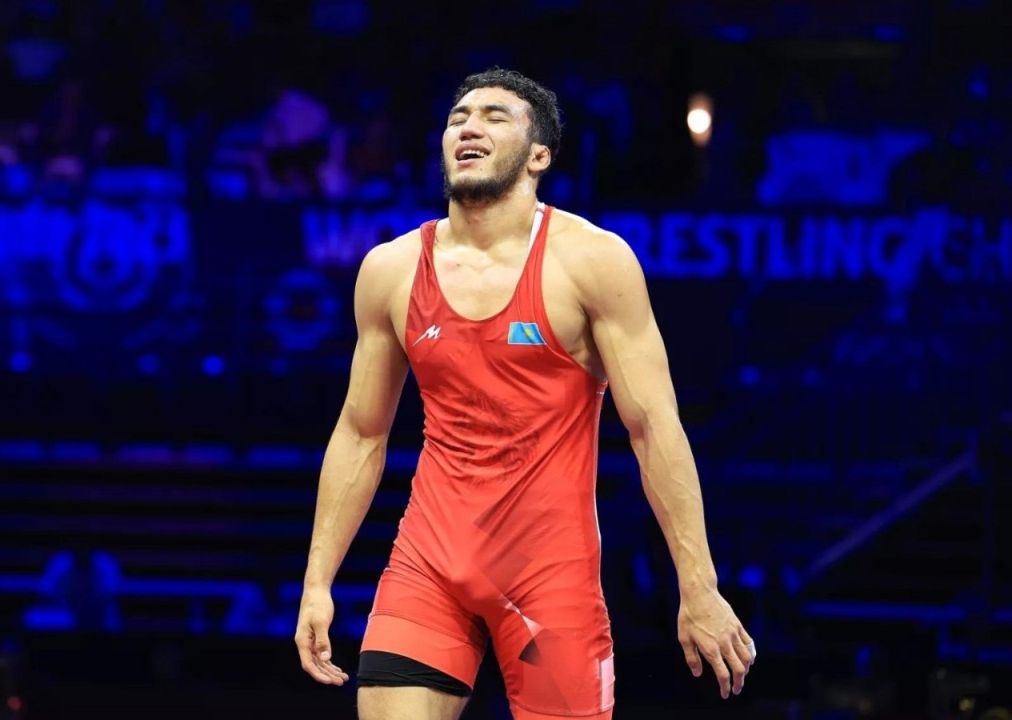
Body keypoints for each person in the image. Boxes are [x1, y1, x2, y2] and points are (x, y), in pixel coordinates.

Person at [295, 67, 756, 720]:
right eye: (458, 118)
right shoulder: (391, 269)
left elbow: (654, 428)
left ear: (539, 155)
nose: (469, 127)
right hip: (429, 568)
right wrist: (318, 581)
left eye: (494, 116)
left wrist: (699, 585)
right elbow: (361, 431)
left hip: (550, 582)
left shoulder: (592, 262)